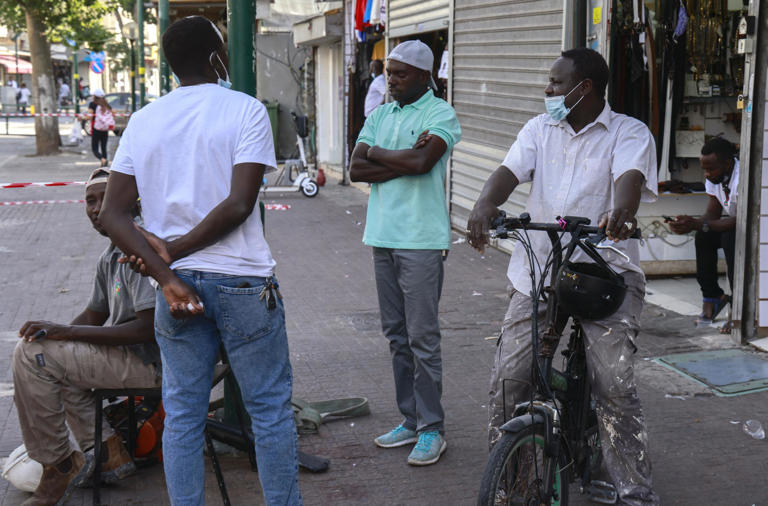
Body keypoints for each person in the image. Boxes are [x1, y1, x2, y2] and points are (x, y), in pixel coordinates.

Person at [98, 16, 302, 505]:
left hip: (179, 288)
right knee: (271, 411)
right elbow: (238, 205)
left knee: (183, 413)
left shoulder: (144, 119)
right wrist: (176, 256)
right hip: (243, 283)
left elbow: (112, 213)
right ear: (217, 57)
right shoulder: (246, 111)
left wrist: (166, 271)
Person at [467, 48, 659, 505]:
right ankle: (515, 484)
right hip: (541, 271)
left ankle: (634, 493)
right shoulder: (539, 128)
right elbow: (508, 172)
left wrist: (621, 213)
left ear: (583, 87)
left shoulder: (629, 133)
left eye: (555, 83)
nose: (547, 91)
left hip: (606, 274)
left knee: (612, 386)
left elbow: (628, 180)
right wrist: (483, 204)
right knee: (510, 381)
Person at [12, 168, 161, 506]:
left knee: (33, 358)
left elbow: (147, 329)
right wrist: (55, 338)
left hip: (154, 362)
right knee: (42, 358)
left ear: (130, 203)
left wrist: (62, 337)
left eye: (104, 199)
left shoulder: (138, 248)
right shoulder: (109, 256)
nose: (96, 208)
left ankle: (59, 465)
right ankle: (108, 451)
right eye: (89, 201)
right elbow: (93, 316)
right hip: (129, 359)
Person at [350, 40, 461, 466]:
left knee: (423, 338)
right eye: (388, 73)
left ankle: (433, 428)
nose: (389, 81)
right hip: (382, 235)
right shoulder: (380, 113)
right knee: (397, 336)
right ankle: (410, 420)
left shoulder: (440, 113)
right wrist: (397, 156)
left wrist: (379, 154)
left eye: (398, 74)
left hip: (421, 239)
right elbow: (356, 168)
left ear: (422, 76)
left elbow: (423, 164)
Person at [669, 137, 737, 332]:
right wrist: (691, 224)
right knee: (704, 236)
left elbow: (743, 220)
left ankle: (738, 311)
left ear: (727, 163)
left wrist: (699, 223)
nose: (707, 174)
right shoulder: (716, 179)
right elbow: (712, 214)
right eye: (704, 169)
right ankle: (713, 296)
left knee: (729, 238)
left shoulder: (743, 177)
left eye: (711, 169)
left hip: (756, 230)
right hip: (736, 225)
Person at [87, 89, 114, 167]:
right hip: (105, 129)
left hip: (96, 129)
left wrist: (81, 118)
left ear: (95, 96)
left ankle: (102, 159)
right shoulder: (106, 104)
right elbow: (112, 112)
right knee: (103, 147)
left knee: (94, 149)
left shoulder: (92, 104)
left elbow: (90, 116)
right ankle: (104, 167)